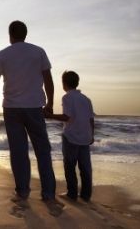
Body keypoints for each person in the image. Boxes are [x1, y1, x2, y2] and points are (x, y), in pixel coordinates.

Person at [0, 20, 60, 207]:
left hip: (12, 108)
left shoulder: (2, 54)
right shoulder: (38, 51)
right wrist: (50, 103)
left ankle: (22, 192)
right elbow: (48, 80)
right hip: (34, 106)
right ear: (25, 34)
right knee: (43, 151)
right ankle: (49, 194)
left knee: (18, 152)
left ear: (10, 35)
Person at [45, 71, 95, 202]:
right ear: (77, 82)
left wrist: (50, 116)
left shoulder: (67, 98)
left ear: (64, 83)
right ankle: (86, 194)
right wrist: (92, 135)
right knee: (85, 167)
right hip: (85, 136)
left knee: (69, 166)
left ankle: (72, 193)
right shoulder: (86, 99)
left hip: (71, 136)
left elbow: (67, 117)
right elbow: (91, 119)